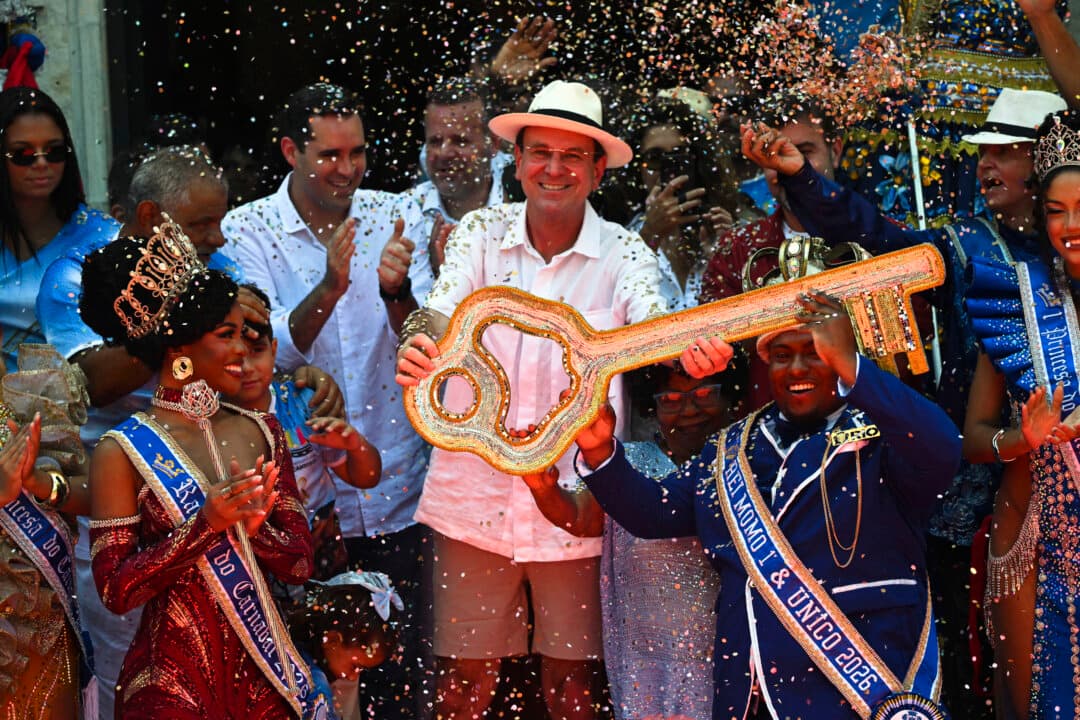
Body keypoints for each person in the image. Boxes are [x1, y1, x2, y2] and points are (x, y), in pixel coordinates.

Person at [743, 88, 1067, 716]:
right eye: (983, 152)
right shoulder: (966, 245)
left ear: (1045, 159)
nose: (986, 164)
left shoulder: (1070, 255)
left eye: (1006, 151)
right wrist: (803, 178)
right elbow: (874, 238)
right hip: (974, 491)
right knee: (981, 667)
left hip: (1066, 491)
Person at [396, 79, 672, 720]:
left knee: (576, 694)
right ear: (516, 161)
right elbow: (440, 309)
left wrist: (689, 350)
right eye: (540, 152)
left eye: (572, 155)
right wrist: (417, 341)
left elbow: (653, 325)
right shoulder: (479, 231)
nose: (554, 168)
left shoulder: (626, 251)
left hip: (578, 504)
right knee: (460, 689)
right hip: (470, 499)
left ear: (597, 170)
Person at [562, 292, 960, 720]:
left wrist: (853, 366)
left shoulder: (885, 432)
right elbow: (655, 513)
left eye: (816, 351)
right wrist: (599, 449)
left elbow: (942, 447)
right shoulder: (731, 447)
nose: (797, 368)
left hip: (857, 690)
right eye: (782, 355)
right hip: (748, 693)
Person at [223, 82, 434, 720]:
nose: (347, 169)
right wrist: (330, 288)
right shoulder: (247, 228)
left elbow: (430, 339)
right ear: (291, 151)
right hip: (300, 507)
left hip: (397, 484)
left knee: (400, 684)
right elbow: (253, 352)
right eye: (330, 155)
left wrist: (397, 292)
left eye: (357, 153)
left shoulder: (395, 212)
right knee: (304, 684)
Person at [79, 221, 316, 718]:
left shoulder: (262, 429)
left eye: (245, 335)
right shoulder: (121, 451)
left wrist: (257, 533)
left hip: (266, 682)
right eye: (226, 335)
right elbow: (115, 591)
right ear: (179, 349)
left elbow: (300, 564)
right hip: (170, 688)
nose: (242, 351)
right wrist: (206, 525)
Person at [520, 363, 736, 719]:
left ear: (730, 399)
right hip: (644, 662)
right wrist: (543, 488)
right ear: (653, 407)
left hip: (725, 656)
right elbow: (582, 518)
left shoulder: (744, 464)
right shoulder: (626, 462)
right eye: (671, 399)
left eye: (703, 394)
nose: (689, 409)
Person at [962, 109, 1080, 720]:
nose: (1071, 227)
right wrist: (1024, 437)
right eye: (1056, 211)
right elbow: (973, 438)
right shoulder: (1017, 298)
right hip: (1040, 540)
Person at [225, 284, 381, 581]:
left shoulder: (299, 403)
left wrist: (354, 444)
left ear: (274, 350)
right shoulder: (211, 421)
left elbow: (365, 478)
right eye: (235, 356)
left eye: (257, 351)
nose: (247, 367)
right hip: (253, 565)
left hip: (322, 551)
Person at [699, 95, 844, 411]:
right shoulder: (737, 250)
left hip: (872, 432)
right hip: (772, 435)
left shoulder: (878, 237)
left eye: (804, 152)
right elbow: (711, 352)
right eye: (773, 154)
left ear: (835, 150)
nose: (787, 165)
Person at [0, 86, 117, 373]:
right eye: (24, 154)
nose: (42, 163)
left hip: (88, 395)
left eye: (54, 151)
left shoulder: (106, 237)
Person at [609, 96, 738, 310]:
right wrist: (649, 236)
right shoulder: (617, 242)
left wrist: (731, 257)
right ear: (637, 169)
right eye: (655, 158)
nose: (669, 171)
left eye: (680, 157)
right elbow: (612, 309)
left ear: (698, 161)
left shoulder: (724, 227)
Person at [402, 76, 513, 277]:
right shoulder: (404, 214)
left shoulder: (523, 204)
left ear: (493, 144)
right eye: (435, 141)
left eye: (460, 141)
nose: (444, 153)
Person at [290, 571, 405, 720]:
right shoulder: (317, 689)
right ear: (331, 640)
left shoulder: (293, 651)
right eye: (355, 666)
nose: (353, 677)